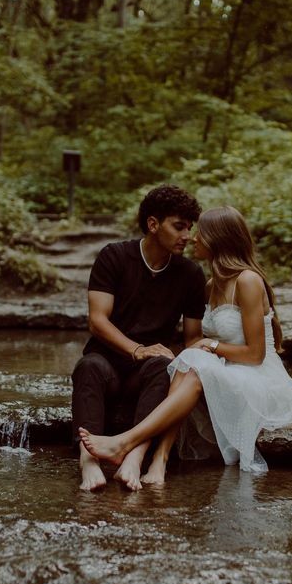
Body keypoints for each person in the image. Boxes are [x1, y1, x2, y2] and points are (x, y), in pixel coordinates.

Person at [79, 205, 292, 482]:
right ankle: (157, 465)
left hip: (257, 376)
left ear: (220, 239)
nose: (192, 238)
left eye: (199, 232)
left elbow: (255, 355)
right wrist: (199, 349)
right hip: (226, 369)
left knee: (196, 360)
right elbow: (195, 342)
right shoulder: (211, 285)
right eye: (185, 229)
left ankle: (129, 445)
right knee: (189, 361)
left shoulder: (248, 281)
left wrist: (209, 346)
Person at [72, 184, 206, 492]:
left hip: (147, 373)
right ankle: (88, 460)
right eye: (179, 226)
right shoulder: (114, 256)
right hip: (106, 362)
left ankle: (133, 456)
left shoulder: (190, 275)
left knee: (164, 365)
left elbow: (193, 337)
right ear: (153, 224)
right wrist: (136, 349)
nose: (187, 235)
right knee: (88, 366)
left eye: (190, 227)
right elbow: (97, 321)